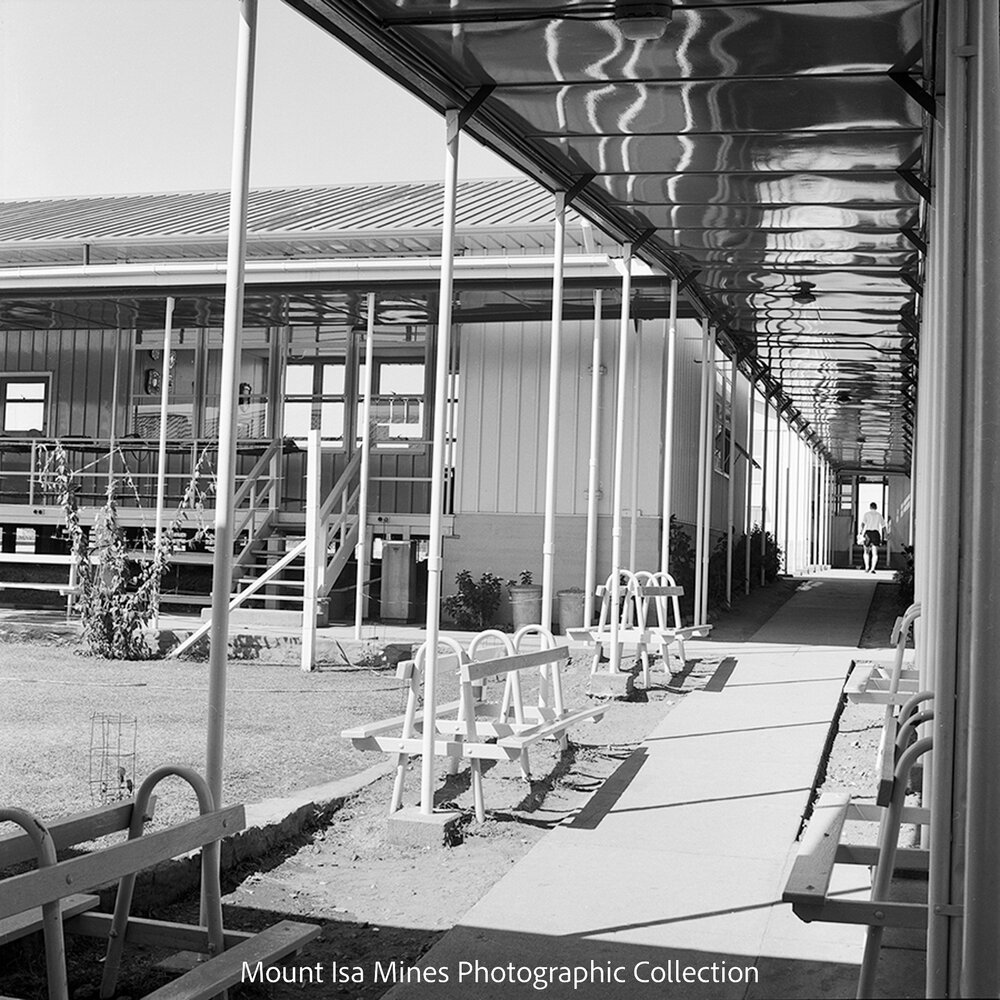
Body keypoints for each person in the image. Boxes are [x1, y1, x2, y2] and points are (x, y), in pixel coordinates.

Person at [859, 502, 888, 573]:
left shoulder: (866, 514)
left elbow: (863, 524)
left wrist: (861, 532)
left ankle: (867, 567)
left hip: (868, 533)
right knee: (875, 552)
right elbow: (883, 526)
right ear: (876, 507)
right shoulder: (879, 515)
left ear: (870, 507)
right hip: (875, 533)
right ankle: (873, 568)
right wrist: (885, 535)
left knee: (866, 551)